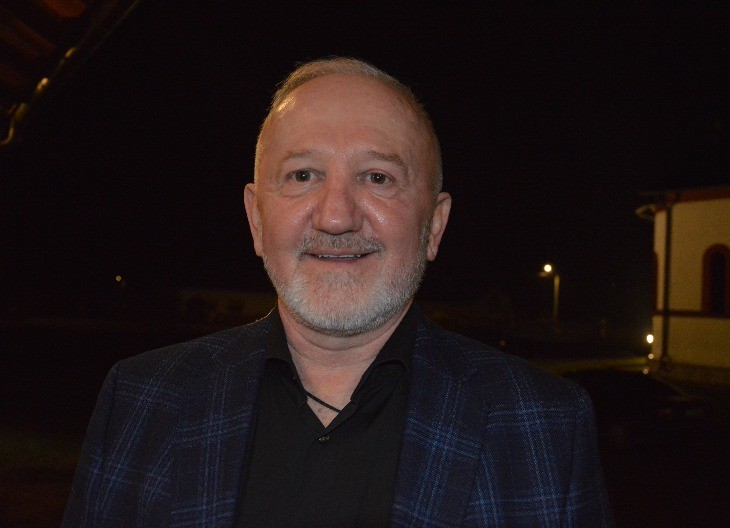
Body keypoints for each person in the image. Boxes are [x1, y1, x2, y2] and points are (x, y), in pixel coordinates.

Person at [62, 57, 613, 527]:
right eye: (303, 175)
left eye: (378, 178)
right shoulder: (141, 402)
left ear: (435, 226)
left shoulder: (545, 428)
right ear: (256, 219)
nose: (336, 216)